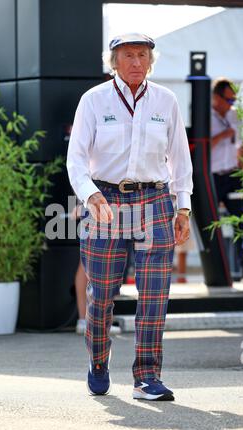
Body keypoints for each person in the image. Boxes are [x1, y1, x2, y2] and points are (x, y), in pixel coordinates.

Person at [67, 33, 193, 401]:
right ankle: (99, 359)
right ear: (114, 62)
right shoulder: (93, 100)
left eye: (142, 55)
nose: (136, 62)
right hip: (105, 200)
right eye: (128, 55)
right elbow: (76, 160)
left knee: (155, 292)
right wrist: (90, 195)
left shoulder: (166, 101)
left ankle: (147, 376)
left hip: (156, 199)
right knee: (103, 292)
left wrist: (182, 206)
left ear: (151, 61)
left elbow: (179, 159)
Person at [211, 78, 243, 281]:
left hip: (233, 175)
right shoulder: (205, 116)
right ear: (216, 98)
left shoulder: (236, 116)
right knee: (210, 222)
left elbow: (242, 145)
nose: (231, 105)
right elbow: (200, 148)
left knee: (240, 222)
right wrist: (224, 134)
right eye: (228, 100)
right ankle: (214, 270)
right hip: (212, 176)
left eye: (234, 101)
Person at [71, 204, 122, 335]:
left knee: (101, 263)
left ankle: (91, 320)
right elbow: (80, 182)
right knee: (88, 262)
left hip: (109, 205)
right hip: (95, 204)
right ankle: (86, 320)